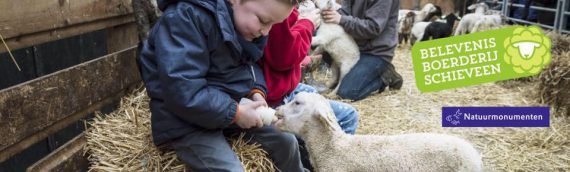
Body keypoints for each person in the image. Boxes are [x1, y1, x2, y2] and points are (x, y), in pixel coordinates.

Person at [137, 0, 307, 171]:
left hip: (222, 110)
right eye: (263, 21)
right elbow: (183, 89)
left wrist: (256, 91)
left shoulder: (243, 25)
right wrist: (236, 113)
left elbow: (249, 65)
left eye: (273, 24)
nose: (266, 31)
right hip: (185, 121)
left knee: (286, 141)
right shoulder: (184, 18)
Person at [260, 5, 360, 171]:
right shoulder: (276, 8)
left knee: (347, 112)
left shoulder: (286, 8)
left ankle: (326, 163)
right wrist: (307, 24)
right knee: (344, 110)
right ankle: (318, 164)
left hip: (287, 84)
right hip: (277, 90)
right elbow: (282, 56)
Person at [319, 0, 403, 101]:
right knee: (321, 43)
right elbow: (345, 12)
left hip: (375, 51)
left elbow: (373, 27)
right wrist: (331, 14)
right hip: (353, 44)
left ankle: (386, 76)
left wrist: (341, 19)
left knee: (346, 93)